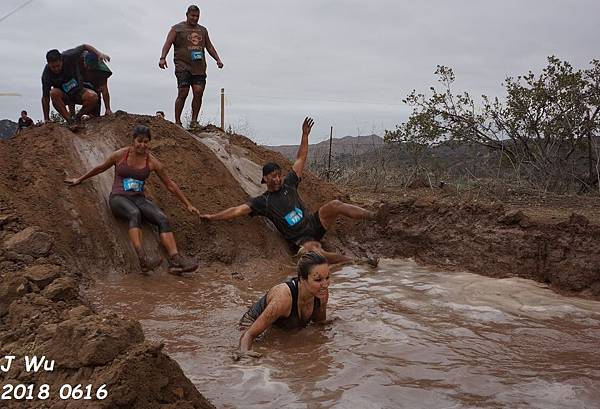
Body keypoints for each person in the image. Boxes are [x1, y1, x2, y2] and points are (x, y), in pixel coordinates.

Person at [200, 117, 387, 265]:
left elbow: (300, 159)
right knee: (315, 252)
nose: (277, 178)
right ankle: (356, 263)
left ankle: (374, 216)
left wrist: (304, 135)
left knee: (335, 205)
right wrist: (213, 217)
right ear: (264, 179)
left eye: (279, 175)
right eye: (273, 176)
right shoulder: (263, 202)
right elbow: (237, 210)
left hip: (314, 222)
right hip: (300, 238)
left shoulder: (289, 183)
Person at [65, 125, 200, 274]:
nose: (142, 145)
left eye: (146, 142)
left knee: (162, 218)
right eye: (139, 141)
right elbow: (101, 168)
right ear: (133, 141)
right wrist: (80, 179)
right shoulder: (120, 155)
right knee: (134, 213)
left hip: (139, 199)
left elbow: (170, 185)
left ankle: (175, 261)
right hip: (118, 198)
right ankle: (143, 259)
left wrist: (188, 204)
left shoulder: (152, 162)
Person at [238, 251, 330, 356]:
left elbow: (319, 325)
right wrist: (244, 354)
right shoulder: (283, 299)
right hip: (250, 325)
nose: (325, 285)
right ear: (302, 279)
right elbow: (249, 334)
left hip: (282, 328)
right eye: (318, 280)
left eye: (327, 278)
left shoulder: (321, 294)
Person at [159, 5, 223, 128]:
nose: (195, 18)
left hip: (199, 67)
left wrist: (218, 59)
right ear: (187, 15)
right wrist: (163, 58)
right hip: (182, 65)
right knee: (183, 92)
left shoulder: (203, 30)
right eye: (192, 16)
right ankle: (177, 122)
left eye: (197, 16)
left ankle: (194, 121)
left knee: (198, 92)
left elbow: (209, 46)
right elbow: (167, 43)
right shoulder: (177, 29)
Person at [41, 45, 107, 124]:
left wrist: (99, 54)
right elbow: (45, 98)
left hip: (78, 91)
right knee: (53, 93)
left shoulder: (69, 56)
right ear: (48, 64)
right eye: (53, 67)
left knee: (93, 97)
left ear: (61, 60)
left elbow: (84, 46)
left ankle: (78, 117)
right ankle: (70, 120)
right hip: (64, 95)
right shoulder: (46, 74)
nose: (56, 69)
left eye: (58, 66)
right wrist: (46, 119)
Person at [80, 51, 113, 116]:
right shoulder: (76, 62)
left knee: (95, 115)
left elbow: (104, 89)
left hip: (94, 89)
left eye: (91, 67)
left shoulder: (101, 70)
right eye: (88, 66)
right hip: (79, 87)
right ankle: (73, 115)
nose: (89, 68)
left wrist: (108, 109)